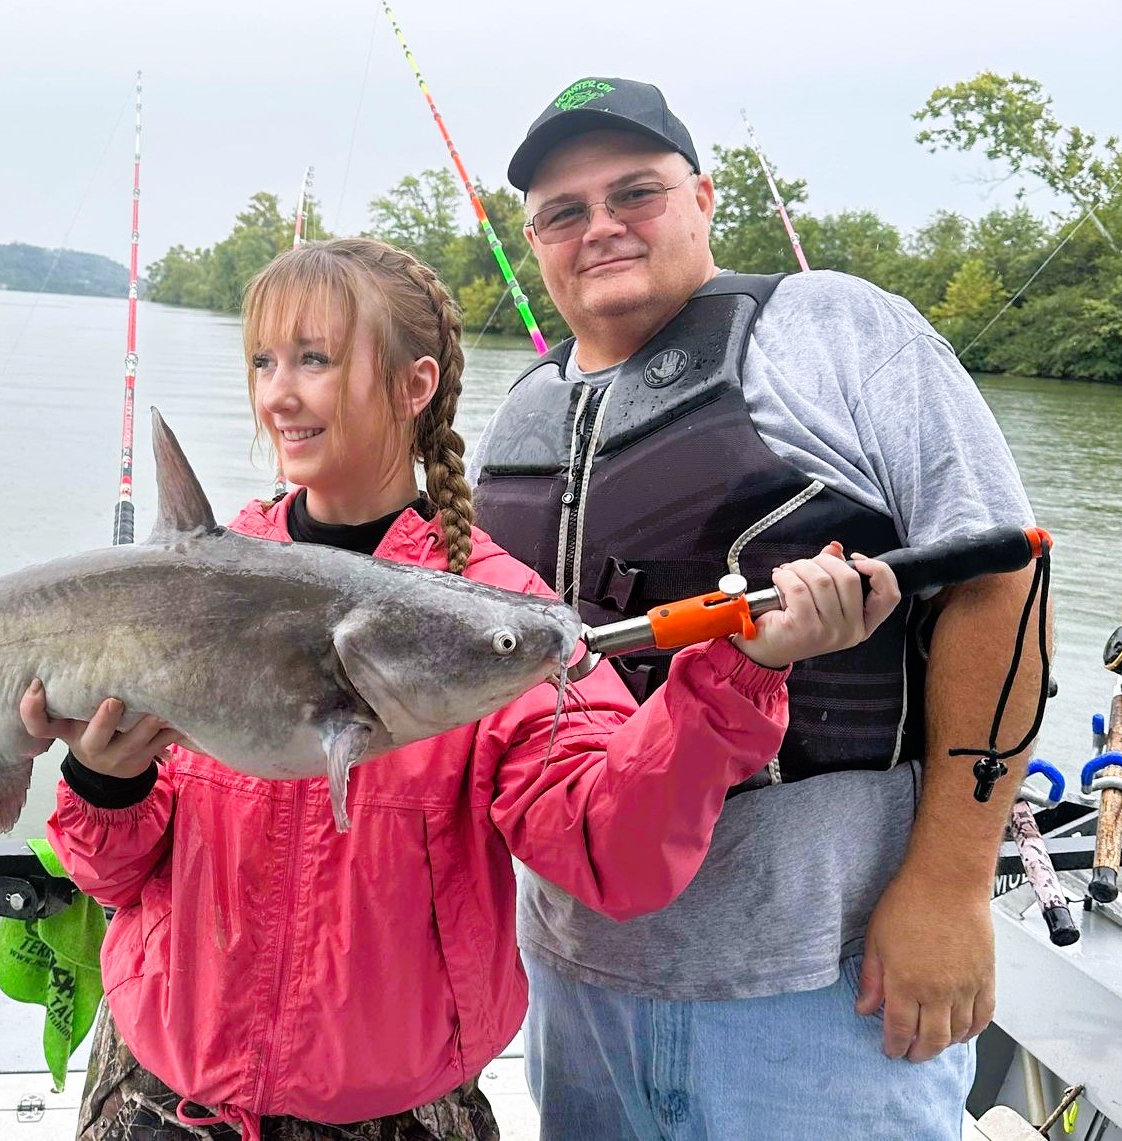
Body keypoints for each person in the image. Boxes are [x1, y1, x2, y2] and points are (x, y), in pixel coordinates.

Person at [17, 237, 899, 1139]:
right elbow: (115, 874)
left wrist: (740, 673)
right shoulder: (188, 589)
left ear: (414, 384)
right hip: (164, 1096)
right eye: (263, 361)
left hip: (395, 1112)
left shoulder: (503, 624)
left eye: (314, 359)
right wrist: (103, 782)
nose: (278, 393)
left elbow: (613, 851)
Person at [468, 78, 1047, 1139]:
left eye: (633, 193)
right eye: (564, 211)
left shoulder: (843, 328)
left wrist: (953, 887)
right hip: (577, 983)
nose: (599, 227)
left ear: (703, 198)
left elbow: (1005, 582)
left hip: (823, 990)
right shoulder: (518, 416)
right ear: (536, 241)